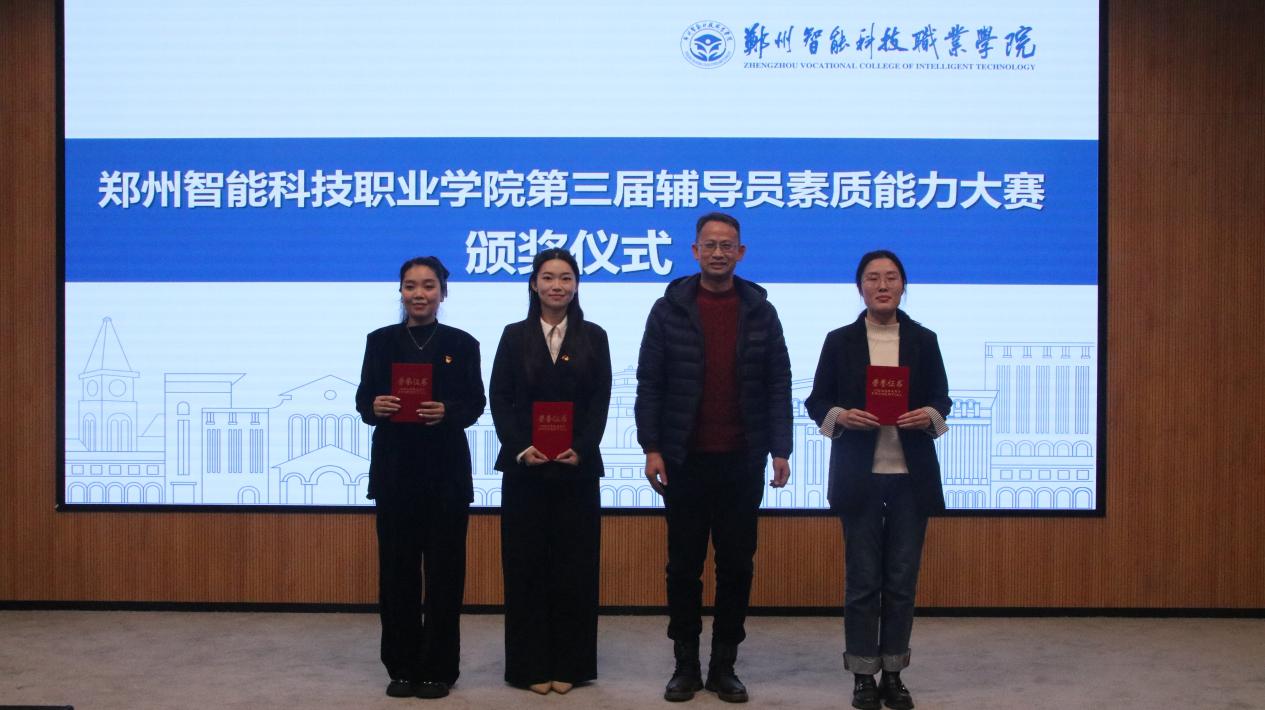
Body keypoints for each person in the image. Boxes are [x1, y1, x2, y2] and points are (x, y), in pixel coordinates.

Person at [635, 211, 792, 703]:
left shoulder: (760, 310)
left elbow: (778, 382)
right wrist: (652, 447)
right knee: (683, 567)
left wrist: (781, 449)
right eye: (710, 244)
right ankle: (685, 665)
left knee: (736, 567)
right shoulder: (669, 309)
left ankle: (725, 665)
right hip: (683, 459)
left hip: (742, 459)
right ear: (695, 251)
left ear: (740, 252)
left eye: (727, 245)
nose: (719, 253)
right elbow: (650, 382)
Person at [803, 250, 951, 710]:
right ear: (860, 287)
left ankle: (895, 674)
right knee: (863, 581)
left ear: (904, 285)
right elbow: (817, 402)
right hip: (859, 476)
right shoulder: (840, 341)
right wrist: (842, 416)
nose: (882, 285)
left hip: (910, 479)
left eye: (890, 277)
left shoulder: (924, 340)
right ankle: (863, 676)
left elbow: (942, 400)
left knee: (902, 581)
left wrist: (927, 415)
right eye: (872, 278)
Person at [354, 256, 487, 700]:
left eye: (429, 286)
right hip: (395, 473)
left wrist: (448, 411)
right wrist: (376, 406)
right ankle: (402, 666)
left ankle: (439, 669)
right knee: (397, 575)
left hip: (445, 475)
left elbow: (475, 403)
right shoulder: (379, 341)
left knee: (445, 576)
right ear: (401, 291)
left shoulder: (462, 343)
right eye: (410, 286)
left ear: (443, 293)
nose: (419, 294)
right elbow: (363, 401)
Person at [489, 248, 612, 694]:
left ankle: (571, 666)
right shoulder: (513, 335)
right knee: (525, 568)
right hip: (526, 468)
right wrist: (521, 447)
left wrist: (583, 447)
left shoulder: (594, 336)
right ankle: (529, 667)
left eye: (565, 278)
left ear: (576, 286)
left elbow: (600, 399)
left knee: (575, 569)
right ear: (533, 284)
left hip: (576, 469)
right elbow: (500, 398)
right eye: (547, 277)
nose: (556, 285)